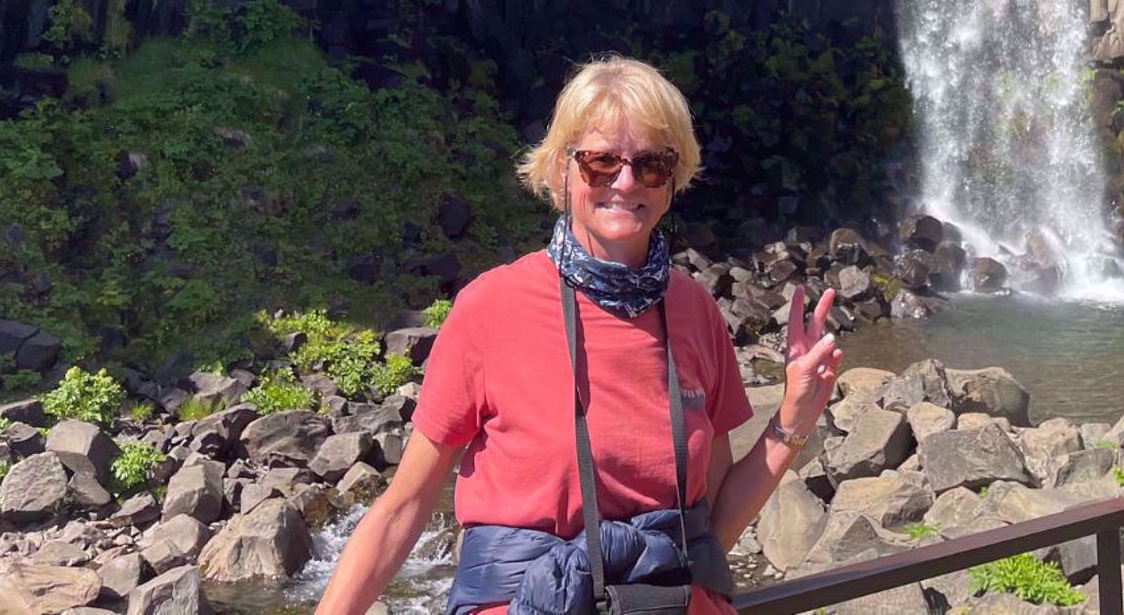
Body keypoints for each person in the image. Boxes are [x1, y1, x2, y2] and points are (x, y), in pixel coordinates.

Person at [315, 55, 842, 615]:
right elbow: (403, 508)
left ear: (673, 178)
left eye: (650, 165)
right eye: (600, 163)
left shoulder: (693, 311)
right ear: (561, 171)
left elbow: (705, 534)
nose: (625, 182)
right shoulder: (490, 309)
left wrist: (795, 416)